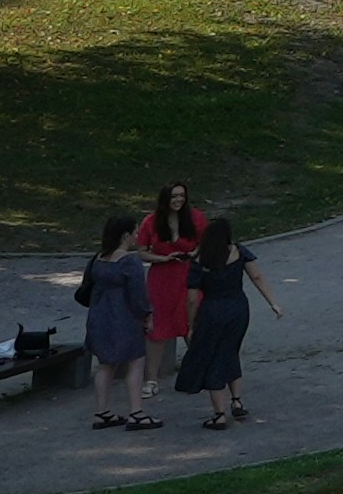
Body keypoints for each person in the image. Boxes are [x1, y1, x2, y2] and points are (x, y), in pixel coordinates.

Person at [174, 226, 271, 429]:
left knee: (213, 359)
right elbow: (257, 276)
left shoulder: (200, 260)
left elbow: (192, 299)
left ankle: (219, 414)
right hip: (238, 308)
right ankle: (236, 401)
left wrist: (191, 325)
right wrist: (273, 302)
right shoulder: (238, 250)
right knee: (230, 351)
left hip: (212, 311)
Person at [74, 211, 158, 428]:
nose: (137, 236)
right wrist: (147, 316)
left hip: (99, 317)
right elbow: (138, 296)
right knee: (136, 363)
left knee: (105, 366)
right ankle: (136, 412)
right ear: (125, 235)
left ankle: (101, 412)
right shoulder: (130, 262)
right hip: (124, 318)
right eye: (135, 232)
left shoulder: (98, 259)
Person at [137, 179, 206, 370]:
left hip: (188, 274)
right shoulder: (151, 221)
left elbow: (205, 242)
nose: (178, 200)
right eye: (174, 196)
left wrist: (195, 253)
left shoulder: (196, 217)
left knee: (192, 322)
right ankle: (151, 379)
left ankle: (201, 370)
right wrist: (162, 258)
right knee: (158, 328)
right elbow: (141, 251)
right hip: (162, 278)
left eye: (182, 196)